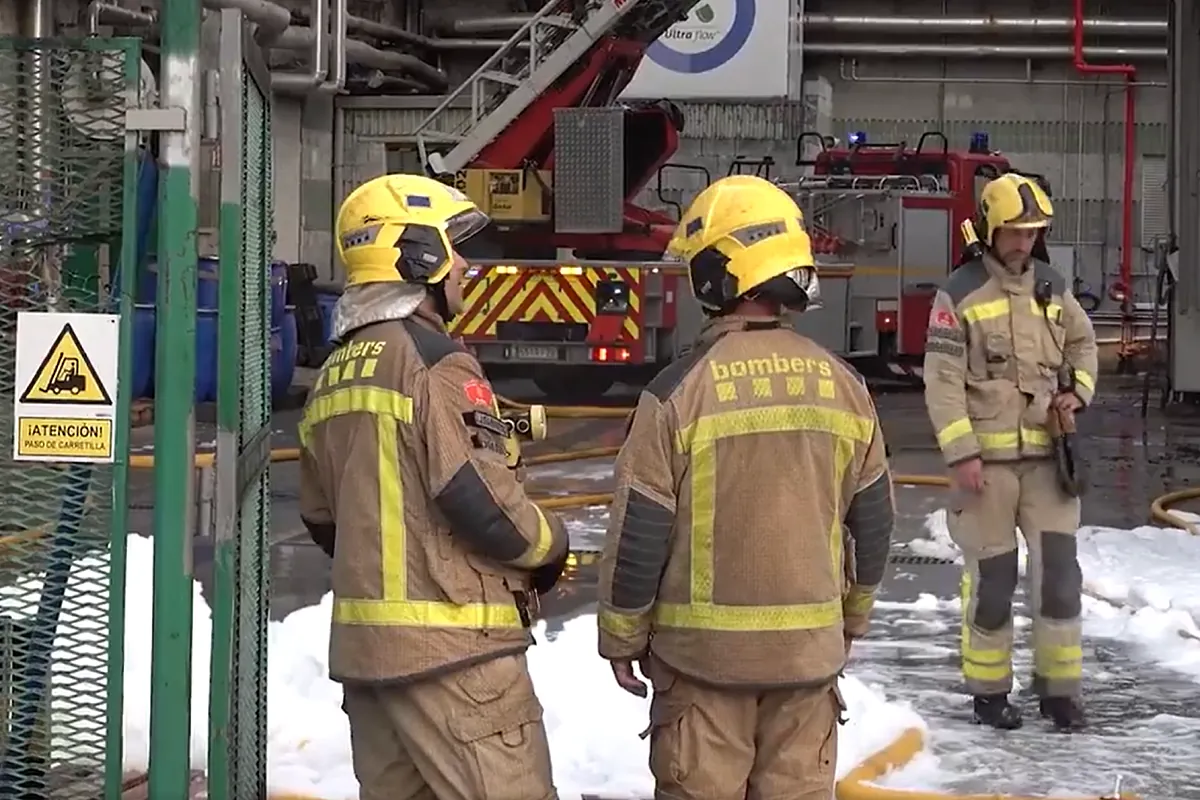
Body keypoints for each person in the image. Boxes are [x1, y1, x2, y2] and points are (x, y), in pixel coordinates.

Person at [596, 175, 896, 799]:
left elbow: (640, 532)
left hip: (703, 668)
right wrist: (854, 616)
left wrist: (622, 636)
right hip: (807, 667)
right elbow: (873, 517)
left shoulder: (677, 392)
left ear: (714, 276)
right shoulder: (846, 385)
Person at [298, 173, 570, 800]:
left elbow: (323, 520)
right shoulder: (434, 359)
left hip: (370, 667)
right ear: (420, 255)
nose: (466, 266)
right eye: (455, 248)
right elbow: (478, 499)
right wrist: (552, 548)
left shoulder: (333, 373)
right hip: (457, 659)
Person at [923, 173, 1098, 732]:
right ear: (991, 230)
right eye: (1016, 232)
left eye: (1033, 232)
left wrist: (1080, 391)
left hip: (1049, 462)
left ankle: (1060, 692)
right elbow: (943, 380)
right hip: (988, 473)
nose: (1025, 243)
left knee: (1060, 580)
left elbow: (1083, 342)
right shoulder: (959, 292)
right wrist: (962, 454)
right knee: (994, 584)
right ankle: (989, 693)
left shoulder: (1052, 285)